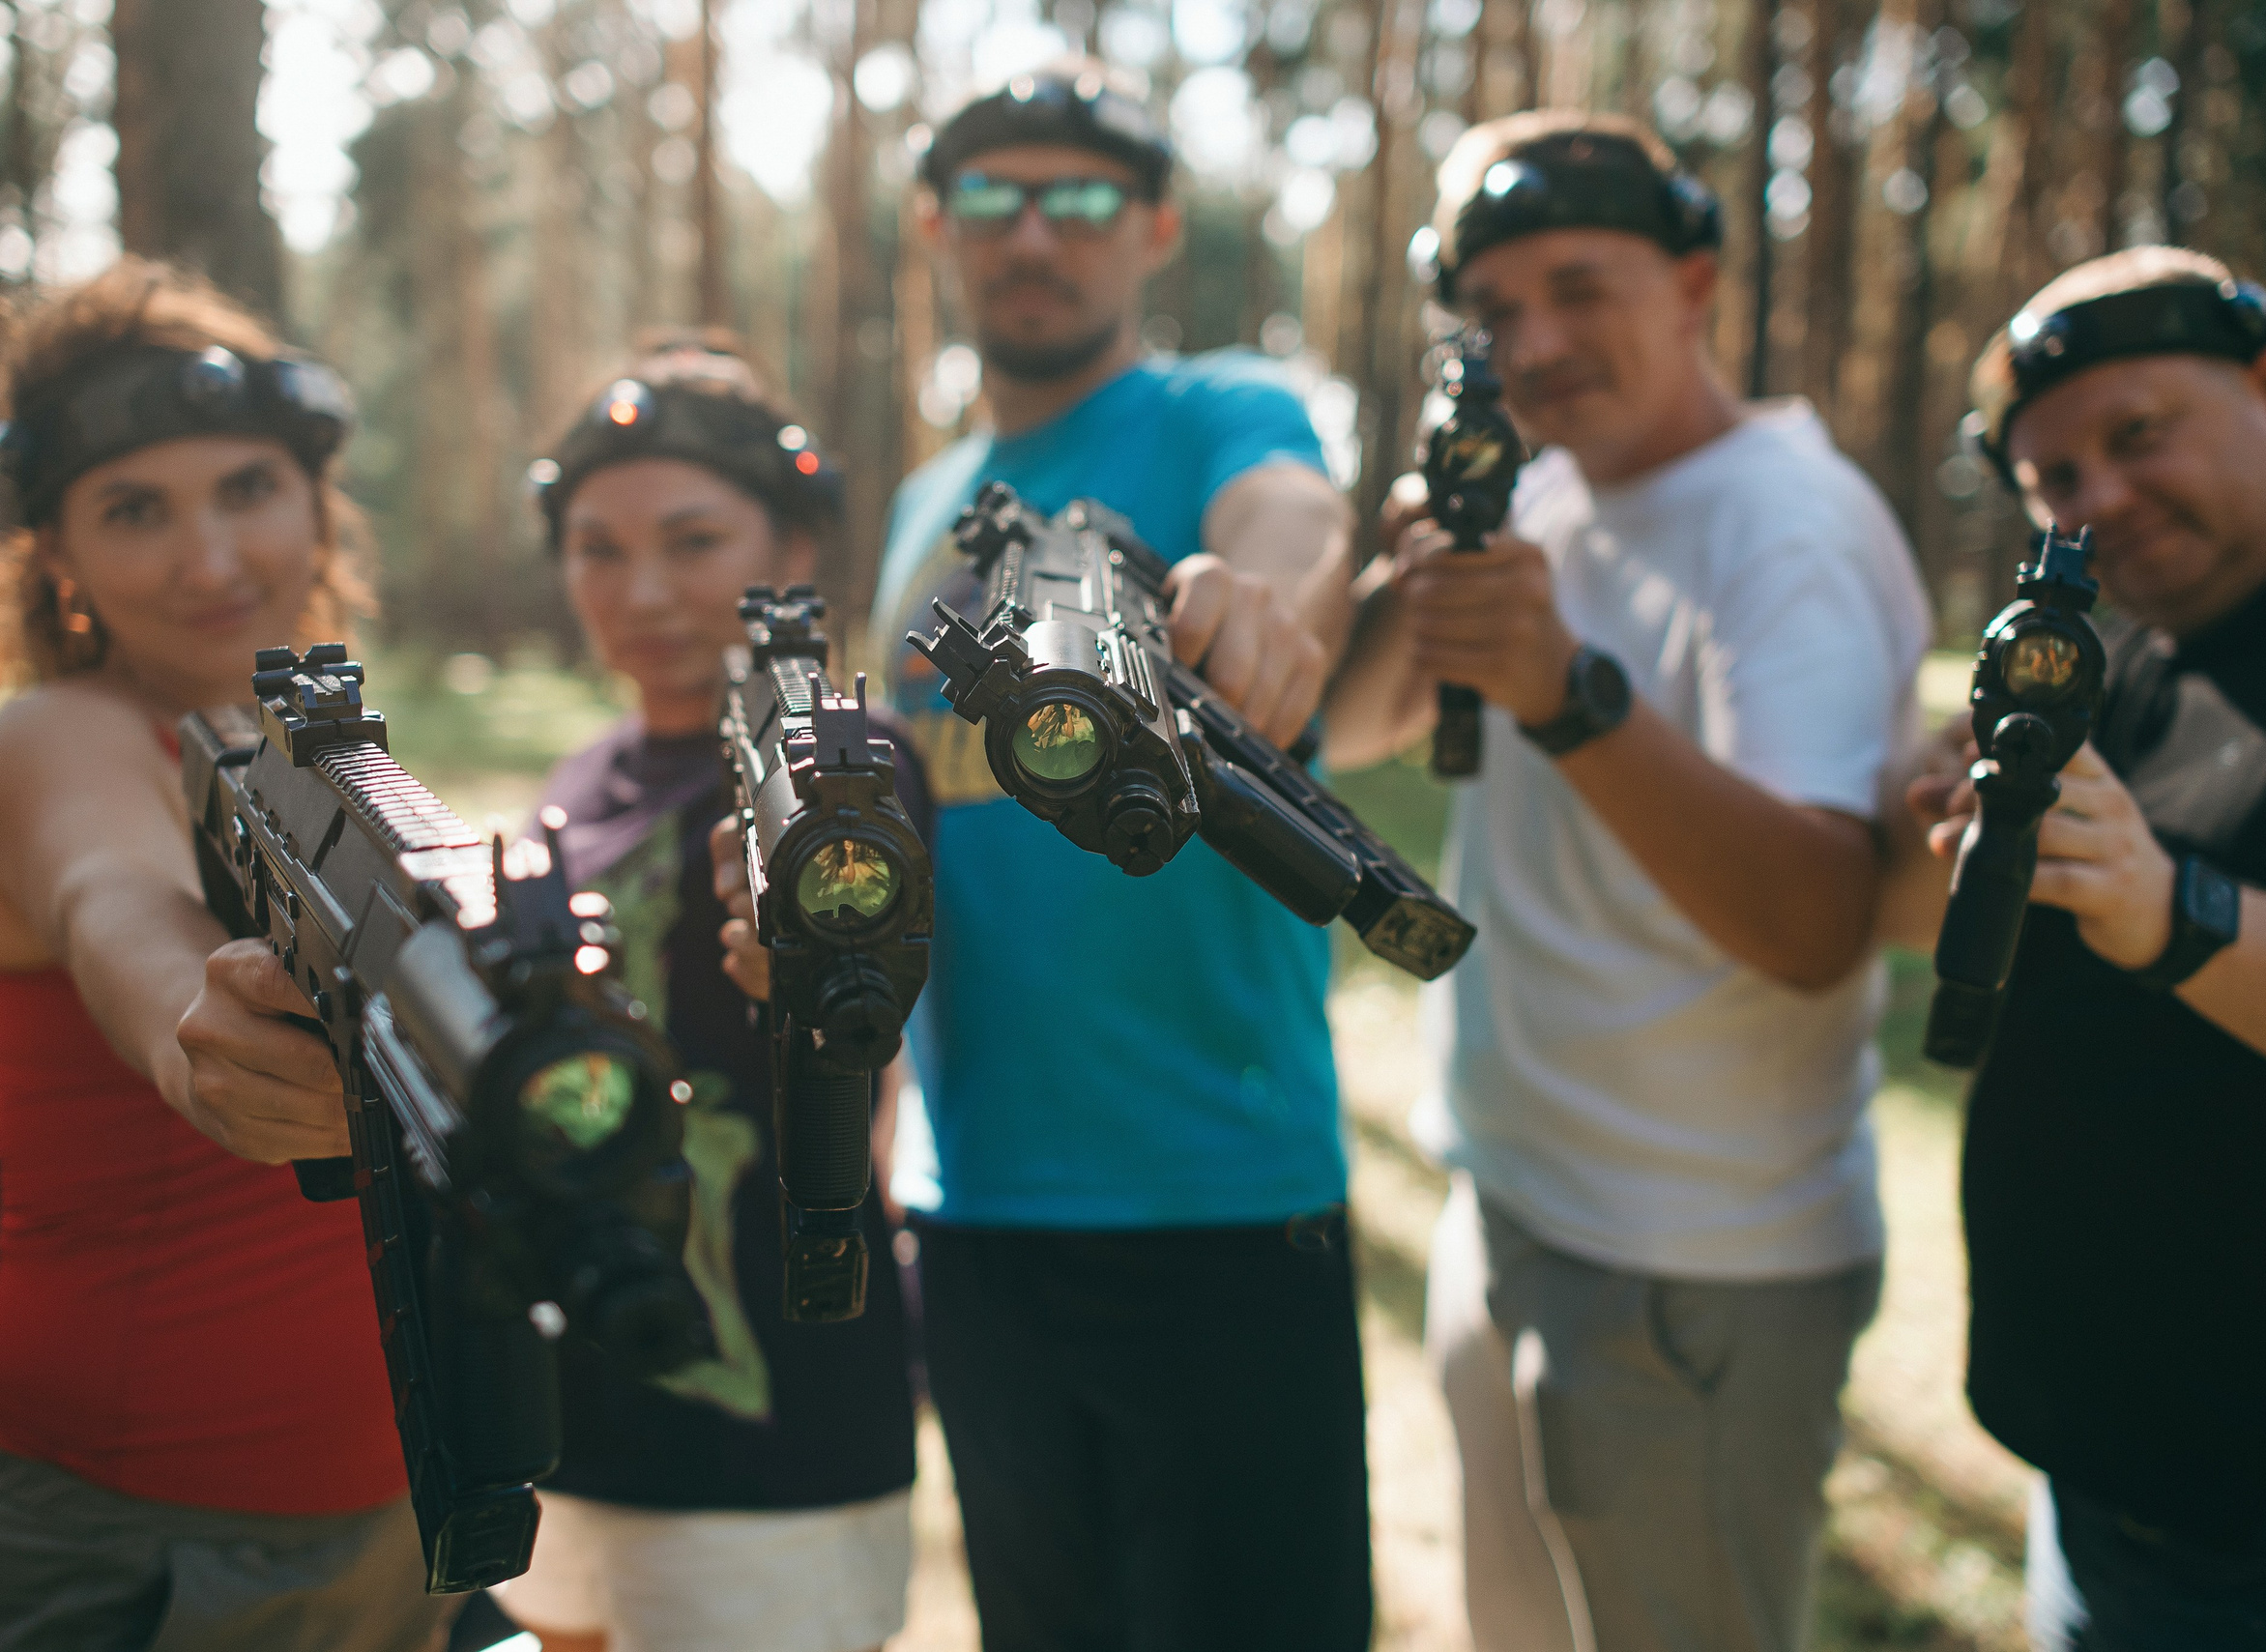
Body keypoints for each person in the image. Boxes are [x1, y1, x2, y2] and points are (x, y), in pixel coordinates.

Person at [1323, 111, 1931, 1652]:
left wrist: (1569, 694)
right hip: (1515, 1201)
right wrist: (1418, 566)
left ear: (1696, 282)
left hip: (1692, 1269)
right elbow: (1361, 724)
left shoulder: (1783, 526)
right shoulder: (1549, 493)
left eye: (1578, 288)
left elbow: (1815, 922)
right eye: (1494, 309)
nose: (1533, 342)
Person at [1884, 245, 2266, 1649]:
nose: (2102, 499)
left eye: (2135, 434)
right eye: (2056, 480)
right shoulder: (2132, 648)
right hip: (2105, 1475)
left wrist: (2174, 907)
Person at [864, 61, 1370, 1651]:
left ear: (1152, 226)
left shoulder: (1216, 409)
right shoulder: (926, 501)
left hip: (1220, 1199)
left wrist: (1262, 593)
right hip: (977, 1210)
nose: (1037, 233)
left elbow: (1291, 514)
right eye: (996, 198)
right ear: (936, 225)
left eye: (1080, 198)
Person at [0, 260, 450, 1650]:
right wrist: (207, 1011)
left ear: (317, 499)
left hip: (388, 1508)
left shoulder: (335, 764)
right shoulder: (51, 735)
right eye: (136, 511)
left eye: (247, 487)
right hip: (141, 1539)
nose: (211, 559)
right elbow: (107, 895)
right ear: (56, 556)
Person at [485, 339, 924, 1652]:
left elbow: (865, 1034)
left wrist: (796, 959)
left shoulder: (848, 769)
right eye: (598, 548)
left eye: (692, 539)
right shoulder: (576, 779)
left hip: (772, 1437)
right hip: (570, 1405)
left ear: (793, 540)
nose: (645, 588)